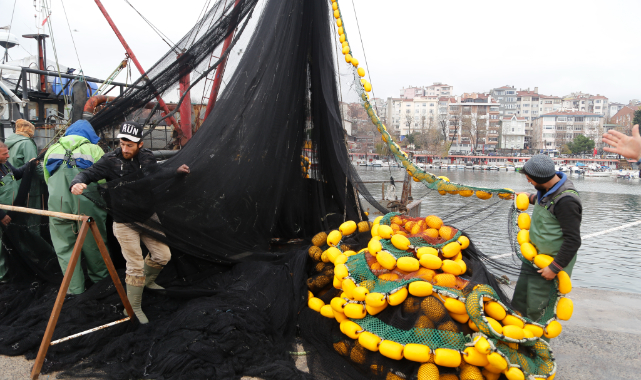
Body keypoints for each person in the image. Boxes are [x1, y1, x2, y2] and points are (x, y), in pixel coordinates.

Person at [70, 121, 190, 324]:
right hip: (123, 222)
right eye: (122, 144)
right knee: (134, 266)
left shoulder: (147, 157)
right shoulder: (109, 160)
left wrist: (175, 171)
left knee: (163, 255)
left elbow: (156, 173)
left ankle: (147, 282)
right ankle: (132, 308)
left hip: (148, 217)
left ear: (140, 144)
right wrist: (77, 182)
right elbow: (89, 173)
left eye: (130, 145)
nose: (125, 149)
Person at [512, 154, 582, 321]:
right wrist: (528, 197)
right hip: (532, 258)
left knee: (538, 308)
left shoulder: (567, 201)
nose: (528, 181)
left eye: (529, 179)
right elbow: (542, 200)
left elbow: (573, 240)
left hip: (550, 264)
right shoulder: (548, 187)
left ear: (539, 178)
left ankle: (535, 345)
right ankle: (516, 341)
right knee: (519, 302)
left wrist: (554, 268)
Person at [43, 120, 110, 295]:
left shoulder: (51, 150)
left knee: (64, 247)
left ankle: (74, 290)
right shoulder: (94, 150)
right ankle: (101, 286)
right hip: (88, 203)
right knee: (95, 244)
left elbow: (46, 178)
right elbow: (103, 180)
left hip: (58, 204)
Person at [0, 142, 35, 282]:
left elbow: (18, 174)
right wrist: (2, 216)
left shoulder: (6, 165)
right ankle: (2, 278)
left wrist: (30, 164)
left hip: (11, 212)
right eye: (4, 154)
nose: (8, 156)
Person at [6, 119, 46, 209]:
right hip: (29, 189)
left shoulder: (8, 142)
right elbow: (33, 165)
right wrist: (49, 177)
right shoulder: (27, 143)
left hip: (13, 187)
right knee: (31, 219)